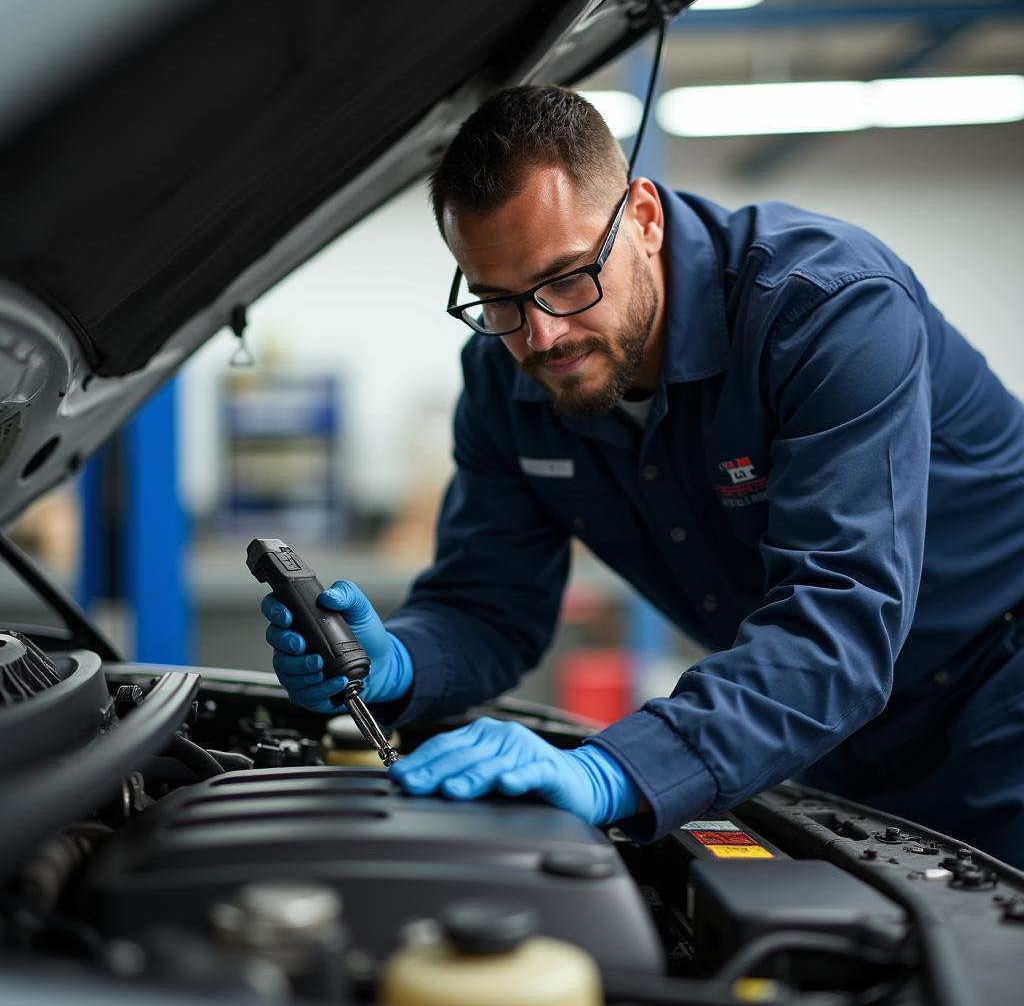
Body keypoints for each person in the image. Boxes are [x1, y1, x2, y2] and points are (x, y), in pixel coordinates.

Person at [261, 86, 1024, 866]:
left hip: (997, 698)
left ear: (646, 218)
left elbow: (837, 624)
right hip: (812, 734)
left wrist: (613, 769)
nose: (541, 334)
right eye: (496, 300)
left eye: (565, 279)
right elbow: (489, 605)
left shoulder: (828, 313)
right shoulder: (503, 381)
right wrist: (398, 659)